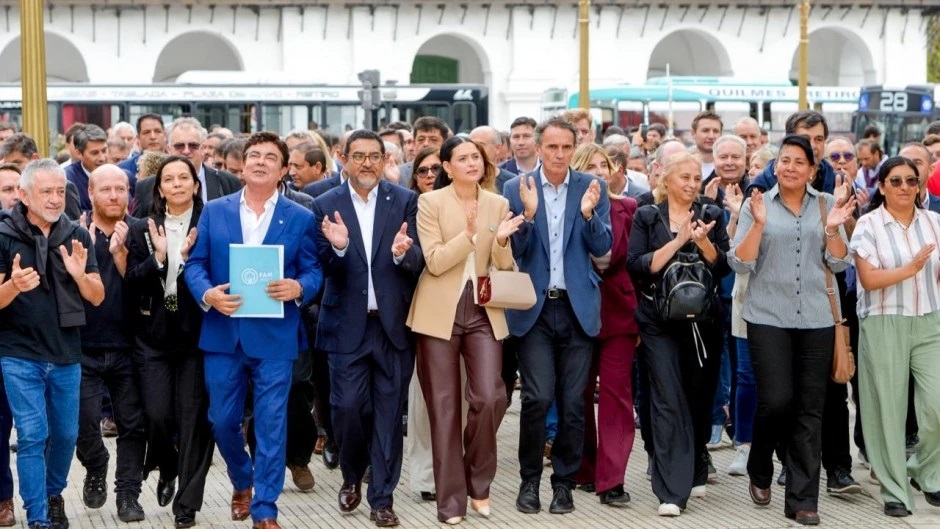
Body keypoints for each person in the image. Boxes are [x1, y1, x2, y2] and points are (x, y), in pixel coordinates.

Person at [185, 132, 322, 529]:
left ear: (283, 170)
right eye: (254, 156)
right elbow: (196, 264)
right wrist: (207, 293)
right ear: (242, 166)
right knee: (222, 420)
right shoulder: (215, 211)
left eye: (270, 158)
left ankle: (265, 507)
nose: (260, 162)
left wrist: (300, 287)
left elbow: (313, 270)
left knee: (271, 421)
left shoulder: (300, 217)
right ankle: (242, 479)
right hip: (223, 332)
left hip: (276, 335)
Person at [729, 135, 856, 526]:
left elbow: (839, 264)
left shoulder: (827, 205)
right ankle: (760, 464)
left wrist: (833, 229)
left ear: (812, 170)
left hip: (817, 317)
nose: (790, 167)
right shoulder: (758, 204)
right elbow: (740, 264)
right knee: (777, 401)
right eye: (784, 160)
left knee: (809, 411)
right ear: (776, 165)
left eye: (799, 162)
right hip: (767, 316)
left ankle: (803, 501)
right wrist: (758, 226)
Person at [311, 129, 424, 528]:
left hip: (392, 327)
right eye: (358, 156)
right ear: (343, 158)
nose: (366, 164)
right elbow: (320, 265)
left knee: (390, 415)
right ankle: (352, 472)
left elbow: (419, 261)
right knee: (347, 409)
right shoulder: (324, 204)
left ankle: (382, 498)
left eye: (374, 156)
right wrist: (339, 247)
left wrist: (403, 254)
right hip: (345, 327)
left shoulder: (406, 201)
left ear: (384, 160)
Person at [407, 136, 523, 524]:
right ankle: (451, 503)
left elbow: (503, 266)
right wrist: (470, 236)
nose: (472, 163)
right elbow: (435, 261)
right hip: (437, 312)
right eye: (463, 158)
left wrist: (502, 241)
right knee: (443, 409)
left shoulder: (498, 203)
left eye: (476, 156)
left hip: (483, 310)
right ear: (447, 166)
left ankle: (478, 480)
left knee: (491, 396)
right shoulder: (429, 203)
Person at [502, 117, 612, 516]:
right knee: (535, 398)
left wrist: (587, 215)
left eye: (566, 147)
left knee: (573, 403)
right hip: (534, 308)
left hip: (576, 307)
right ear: (538, 147)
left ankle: (563, 483)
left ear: (574, 146)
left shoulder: (590, 187)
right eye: (552, 147)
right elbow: (515, 251)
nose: (560, 154)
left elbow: (605, 251)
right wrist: (528, 216)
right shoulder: (517, 188)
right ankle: (529, 480)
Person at [0, 159, 105, 529]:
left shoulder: (77, 235)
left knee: (65, 435)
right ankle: (39, 518)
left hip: (65, 352)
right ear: (24, 195)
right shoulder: (3, 235)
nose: (55, 198)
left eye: (60, 191)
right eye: (46, 191)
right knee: (32, 435)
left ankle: (51, 491)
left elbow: (96, 297)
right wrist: (13, 285)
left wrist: (80, 276)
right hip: (17, 353)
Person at [626, 151, 730, 516]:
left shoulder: (712, 214)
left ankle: (698, 463)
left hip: (704, 322)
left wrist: (702, 242)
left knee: (700, 398)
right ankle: (672, 491)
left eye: (694, 178)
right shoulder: (646, 215)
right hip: (658, 320)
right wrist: (677, 240)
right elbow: (637, 266)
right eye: (683, 177)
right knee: (668, 397)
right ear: (665, 179)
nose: (690, 183)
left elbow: (723, 267)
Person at [125, 155, 214, 529]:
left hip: (198, 335)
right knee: (157, 416)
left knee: (195, 421)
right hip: (154, 337)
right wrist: (160, 259)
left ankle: (187, 505)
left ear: (195, 185)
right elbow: (131, 282)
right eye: (168, 179)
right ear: (159, 188)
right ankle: (167, 464)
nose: (176, 184)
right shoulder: (142, 228)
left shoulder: (212, 222)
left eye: (184, 178)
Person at [850, 156, 940, 517]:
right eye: (896, 181)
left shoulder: (935, 222)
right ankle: (893, 488)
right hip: (885, 320)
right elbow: (869, 280)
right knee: (886, 408)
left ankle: (925, 471)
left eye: (911, 181)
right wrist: (912, 268)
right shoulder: (868, 225)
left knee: (937, 405)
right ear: (883, 186)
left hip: (931, 320)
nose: (904, 187)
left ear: (919, 187)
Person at [75, 165, 148, 523]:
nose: (115, 195)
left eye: (121, 188)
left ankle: (128, 494)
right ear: (91, 193)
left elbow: (151, 294)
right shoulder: (73, 233)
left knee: (133, 425)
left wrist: (122, 259)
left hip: (129, 347)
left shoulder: (140, 232)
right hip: (83, 346)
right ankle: (95, 463)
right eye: (106, 189)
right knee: (83, 422)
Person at [570, 144, 639, 505]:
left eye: (604, 165)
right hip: (575, 314)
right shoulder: (563, 211)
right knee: (576, 394)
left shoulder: (628, 208)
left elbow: (626, 263)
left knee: (615, 396)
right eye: (590, 166)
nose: (598, 171)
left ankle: (612, 479)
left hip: (618, 313)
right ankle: (586, 468)